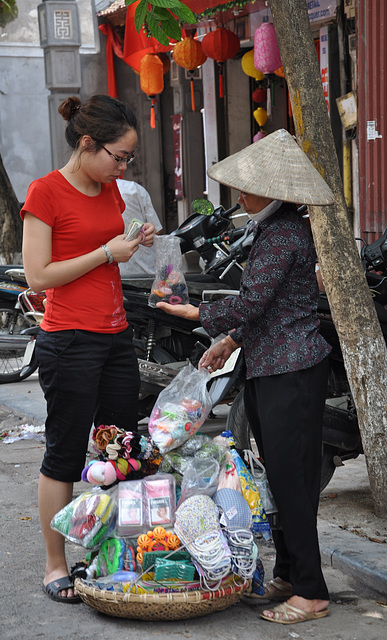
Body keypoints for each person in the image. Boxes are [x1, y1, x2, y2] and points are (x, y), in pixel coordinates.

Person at [156, 129, 334, 626]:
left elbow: (254, 301)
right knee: (277, 476)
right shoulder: (268, 228)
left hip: (292, 368)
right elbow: (265, 310)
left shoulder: (282, 234)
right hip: (269, 362)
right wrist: (229, 340)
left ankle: (312, 592)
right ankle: (290, 573)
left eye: (249, 187)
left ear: (275, 190)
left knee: (292, 481)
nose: (241, 196)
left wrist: (197, 313)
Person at [20, 94, 155, 604]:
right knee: (66, 451)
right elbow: (38, 277)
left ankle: (105, 554)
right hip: (70, 338)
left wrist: (133, 240)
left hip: (115, 335)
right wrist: (106, 252)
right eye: (118, 157)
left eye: (128, 159)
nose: (123, 167)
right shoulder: (46, 193)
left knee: (120, 450)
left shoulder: (111, 189)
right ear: (86, 144)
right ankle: (56, 565)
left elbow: (111, 246)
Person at [117, 178, 163, 277]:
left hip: (117, 273)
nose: (123, 167)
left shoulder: (133, 189)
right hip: (145, 269)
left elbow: (154, 229)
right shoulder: (133, 189)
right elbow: (157, 230)